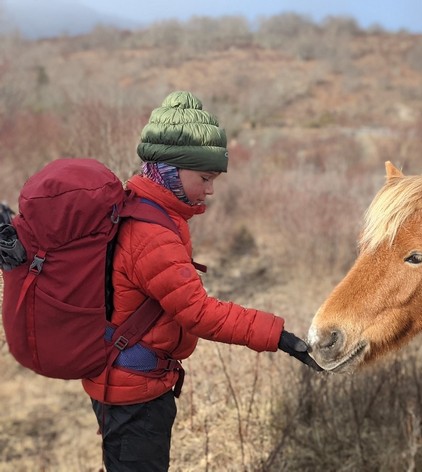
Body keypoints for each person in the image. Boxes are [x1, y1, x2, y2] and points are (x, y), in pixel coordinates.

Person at [82, 90, 321, 471]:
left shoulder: (145, 208)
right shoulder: (152, 234)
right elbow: (198, 313)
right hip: (133, 392)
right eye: (205, 178)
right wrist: (279, 336)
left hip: (130, 381)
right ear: (171, 171)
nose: (210, 189)